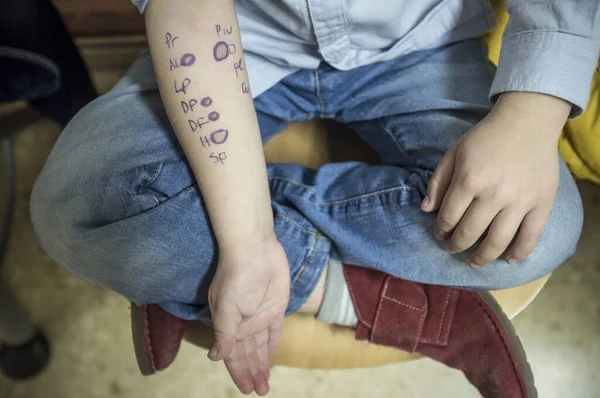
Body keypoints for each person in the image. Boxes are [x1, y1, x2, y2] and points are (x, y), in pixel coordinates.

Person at [30, 0, 599, 396]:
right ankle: (400, 312)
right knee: (76, 205)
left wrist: (532, 110)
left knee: (542, 228)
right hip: (235, 51)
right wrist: (245, 241)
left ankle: (182, 269)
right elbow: (193, 19)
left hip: (423, 45)